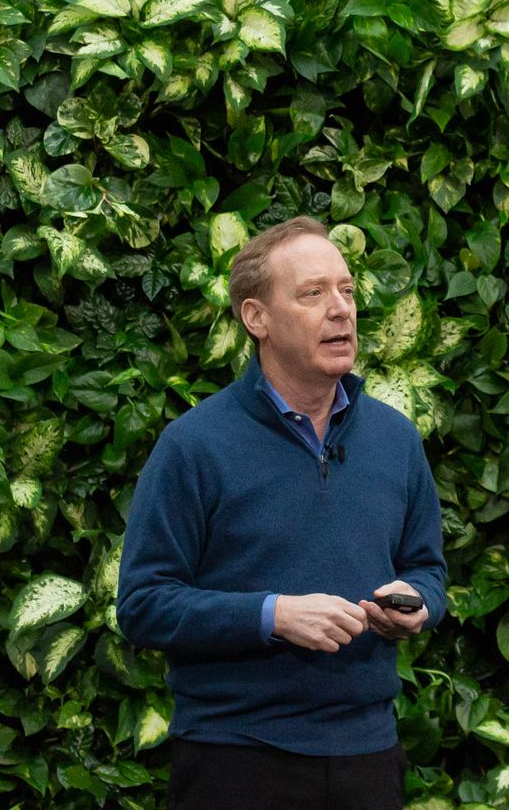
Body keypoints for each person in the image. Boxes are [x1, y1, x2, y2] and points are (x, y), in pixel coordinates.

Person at [116, 215, 449, 810]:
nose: (341, 309)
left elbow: (428, 568)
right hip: (234, 759)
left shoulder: (396, 440)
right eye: (313, 293)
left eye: (347, 290)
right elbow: (143, 605)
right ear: (257, 318)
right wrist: (271, 616)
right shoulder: (195, 445)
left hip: (368, 758)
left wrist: (418, 603)